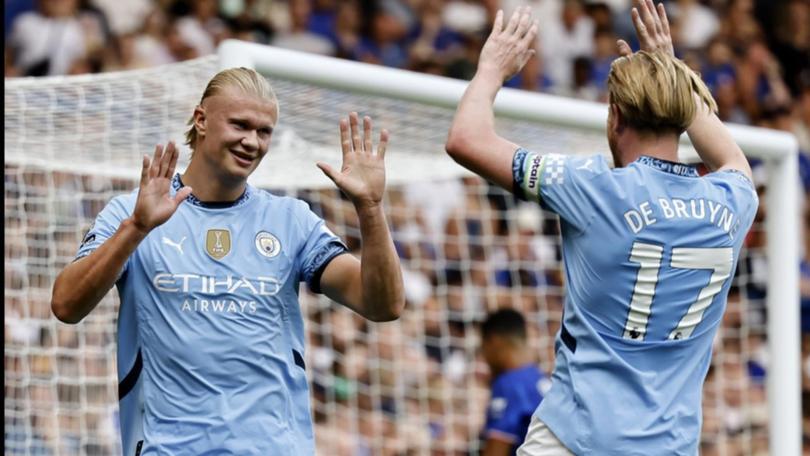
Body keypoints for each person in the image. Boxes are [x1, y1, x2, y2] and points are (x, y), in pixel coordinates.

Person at [445, 0, 758, 454]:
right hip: (669, 446)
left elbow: (465, 139)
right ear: (683, 112)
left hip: (575, 438)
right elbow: (732, 158)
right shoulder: (733, 202)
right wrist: (674, 78)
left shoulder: (594, 188)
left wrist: (492, 69)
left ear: (614, 119)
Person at [50, 67, 405, 454]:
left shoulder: (291, 220)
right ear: (201, 120)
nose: (252, 141)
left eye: (264, 131)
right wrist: (136, 227)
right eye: (240, 125)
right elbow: (66, 305)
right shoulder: (132, 212)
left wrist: (370, 208)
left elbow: (382, 304)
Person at [480, 308, 547, 456]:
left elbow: (497, 446)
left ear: (494, 342)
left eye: (483, 348)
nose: (484, 356)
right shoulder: (540, 378)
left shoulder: (509, 384)